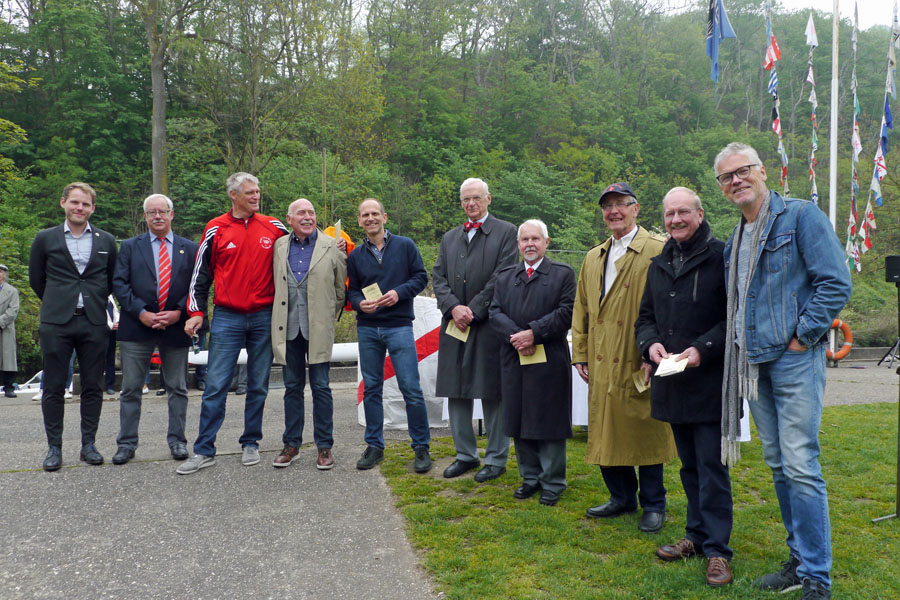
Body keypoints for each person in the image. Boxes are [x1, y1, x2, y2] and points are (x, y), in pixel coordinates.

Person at [716, 142, 851, 600]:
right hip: (754, 364)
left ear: (762, 171)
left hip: (793, 359)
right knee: (778, 465)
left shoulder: (801, 217)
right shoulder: (736, 238)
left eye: (743, 170)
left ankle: (817, 577)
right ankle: (798, 560)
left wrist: (803, 336)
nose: (736, 180)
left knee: (800, 465)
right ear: (722, 187)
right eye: (727, 177)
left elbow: (835, 281)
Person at [634, 187, 733, 586]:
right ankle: (695, 536)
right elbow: (645, 318)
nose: (675, 219)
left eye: (683, 212)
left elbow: (733, 318)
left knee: (712, 467)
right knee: (689, 466)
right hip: (672, 381)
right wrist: (649, 344)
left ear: (700, 214)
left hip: (708, 382)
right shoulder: (659, 264)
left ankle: (718, 551)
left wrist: (701, 349)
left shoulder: (721, 257)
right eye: (669, 214)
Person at [571, 181, 677, 533]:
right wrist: (580, 353)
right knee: (606, 428)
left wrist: (655, 353)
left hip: (639, 355)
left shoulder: (657, 249)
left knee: (645, 429)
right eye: (608, 206)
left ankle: (654, 503)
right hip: (601, 358)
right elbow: (582, 309)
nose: (614, 211)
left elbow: (670, 306)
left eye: (621, 204)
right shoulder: (594, 256)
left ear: (636, 208)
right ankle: (621, 497)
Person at [177, 172, 288, 474]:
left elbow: (304, 247)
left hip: (265, 316)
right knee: (215, 386)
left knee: (258, 385)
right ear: (233, 195)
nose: (256, 196)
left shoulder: (274, 226)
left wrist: (337, 244)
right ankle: (204, 450)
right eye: (250, 192)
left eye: (258, 191)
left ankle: (251, 442)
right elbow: (200, 275)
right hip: (227, 316)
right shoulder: (216, 228)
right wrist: (196, 312)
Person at [432, 177, 518, 482]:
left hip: (489, 324)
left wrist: (473, 310)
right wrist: (454, 308)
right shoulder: (449, 238)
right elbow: (438, 277)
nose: (471, 203)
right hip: (454, 323)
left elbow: (503, 276)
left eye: (476, 198)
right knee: (456, 390)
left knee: (493, 391)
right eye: (466, 199)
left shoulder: (507, 232)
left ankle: (495, 459)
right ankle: (465, 455)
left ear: (488, 199)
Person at [28, 182, 118, 471]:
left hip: (93, 321)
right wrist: (59, 302)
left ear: (93, 208)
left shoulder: (106, 241)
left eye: (85, 204)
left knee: (93, 385)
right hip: (56, 322)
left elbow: (111, 279)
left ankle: (88, 444)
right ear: (63, 202)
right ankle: (54, 447)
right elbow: (36, 279)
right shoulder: (44, 238)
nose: (80, 208)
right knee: (54, 385)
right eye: (75, 202)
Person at [489, 219, 576, 506]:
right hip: (514, 356)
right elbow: (494, 312)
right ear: (518, 244)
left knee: (549, 419)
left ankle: (553, 481)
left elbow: (566, 312)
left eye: (535, 239)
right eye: (524, 239)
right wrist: (517, 337)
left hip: (549, 358)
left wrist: (534, 333)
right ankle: (530, 478)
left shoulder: (563, 274)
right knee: (519, 416)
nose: (529, 244)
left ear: (546, 242)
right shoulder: (505, 276)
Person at [112, 193, 199, 465]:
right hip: (137, 325)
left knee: (178, 388)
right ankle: (126, 444)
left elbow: (197, 286)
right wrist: (142, 313)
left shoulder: (191, 248)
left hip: (176, 326)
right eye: (152, 212)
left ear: (172, 214)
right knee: (131, 389)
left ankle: (178, 442)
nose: (157, 216)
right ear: (145, 216)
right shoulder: (129, 247)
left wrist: (179, 312)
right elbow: (119, 284)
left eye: (162, 211)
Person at [346, 198, 432, 472]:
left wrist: (399, 293)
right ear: (359, 221)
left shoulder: (405, 246)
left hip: (399, 326)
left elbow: (421, 277)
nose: (370, 218)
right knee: (372, 388)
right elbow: (352, 290)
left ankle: (421, 447)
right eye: (365, 215)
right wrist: (359, 303)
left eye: (375, 213)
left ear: (384, 217)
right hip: (368, 327)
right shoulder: (355, 255)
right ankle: (375, 446)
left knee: (411, 388)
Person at [271, 198, 347, 469]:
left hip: (318, 329)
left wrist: (325, 316)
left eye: (311, 212)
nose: (307, 217)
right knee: (292, 388)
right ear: (289, 219)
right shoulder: (279, 246)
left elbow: (340, 290)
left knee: (321, 388)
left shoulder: (332, 246)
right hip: (288, 328)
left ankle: (324, 446)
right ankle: (291, 445)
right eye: (301, 213)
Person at [0, 264, 19, 398]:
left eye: (0, 272)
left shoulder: (12, 291)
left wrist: (1, 321)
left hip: (5, 328)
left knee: (8, 359)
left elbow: (13, 310)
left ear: (4, 274)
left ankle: (9, 387)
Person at [104, 295, 119, 396]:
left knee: (110, 359)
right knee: (98, 360)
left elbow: (115, 311)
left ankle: (110, 386)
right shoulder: (96, 294)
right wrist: (110, 324)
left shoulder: (110, 297)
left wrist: (117, 322)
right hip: (101, 331)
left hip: (112, 333)